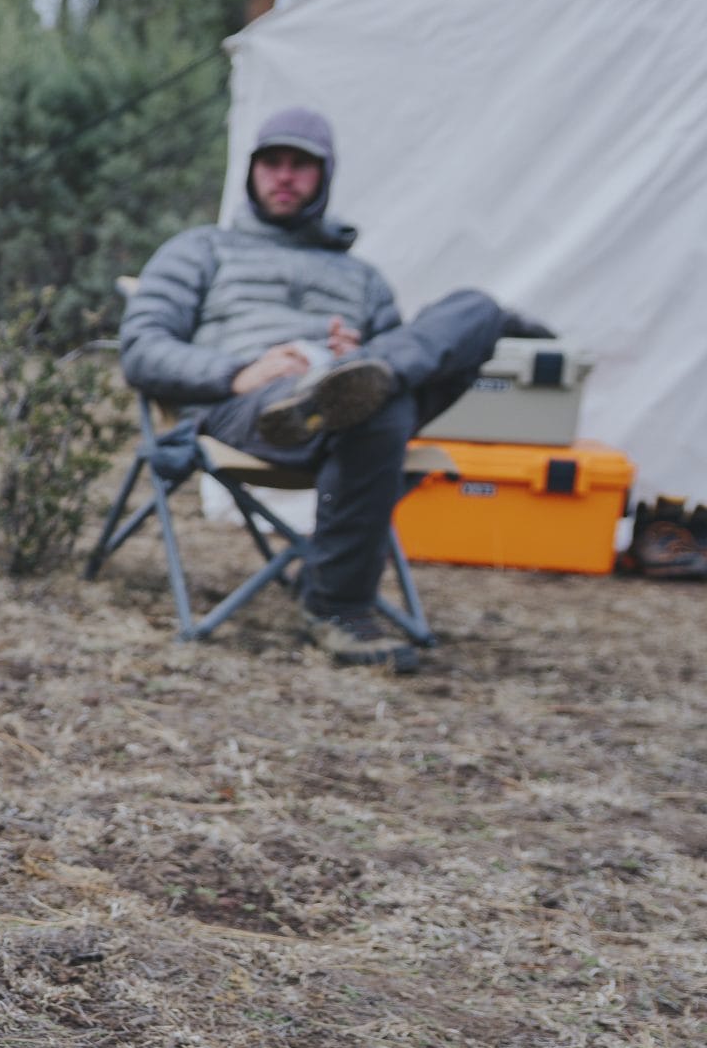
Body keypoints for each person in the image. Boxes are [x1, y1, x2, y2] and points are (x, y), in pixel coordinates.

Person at [120, 106, 540, 672]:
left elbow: (409, 351)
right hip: (249, 408)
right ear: (251, 173)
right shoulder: (203, 249)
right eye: (272, 163)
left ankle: (360, 382)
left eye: (301, 165)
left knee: (473, 310)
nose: (285, 177)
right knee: (379, 410)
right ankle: (339, 602)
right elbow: (143, 346)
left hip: (353, 409)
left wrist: (360, 356)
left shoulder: (361, 277)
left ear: (325, 177)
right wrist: (237, 371)